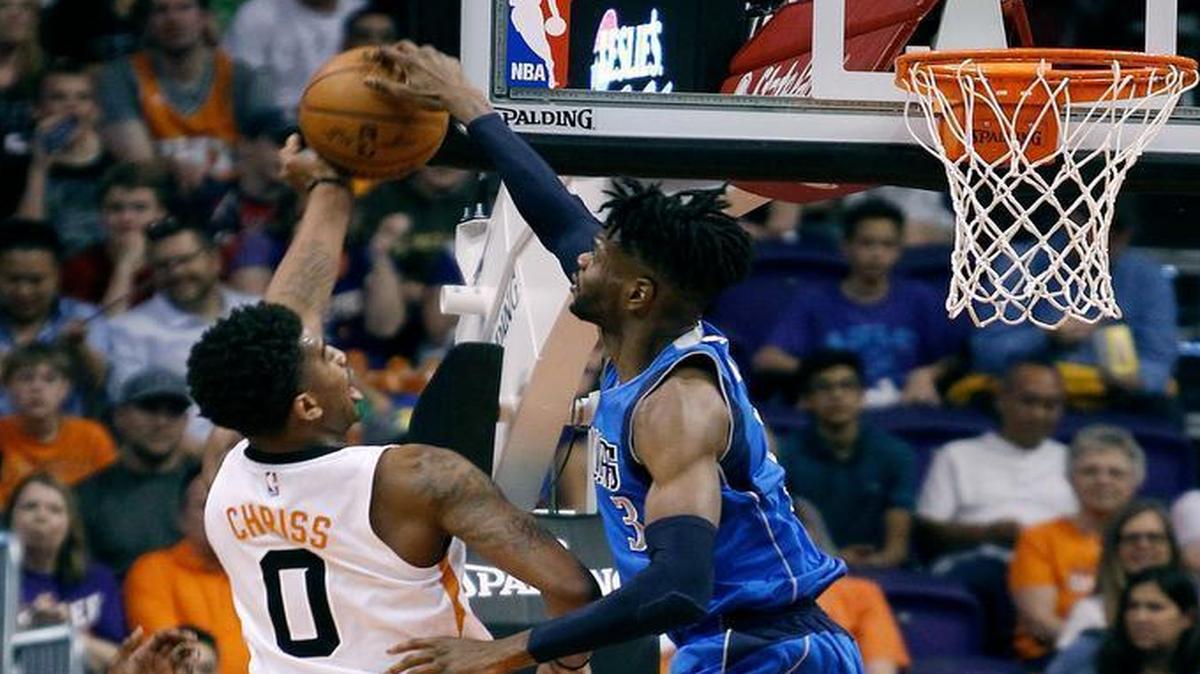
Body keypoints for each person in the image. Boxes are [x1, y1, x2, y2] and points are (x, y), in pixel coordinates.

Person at [367, 42, 864, 674]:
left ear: (636, 294)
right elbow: (559, 218)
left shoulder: (679, 409)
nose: (582, 258)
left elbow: (679, 586)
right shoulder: (642, 339)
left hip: (766, 646)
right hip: (736, 643)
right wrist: (473, 107)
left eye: (601, 258)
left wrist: (507, 651)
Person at [188, 135, 600, 673]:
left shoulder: (223, 464)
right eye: (323, 356)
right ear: (307, 408)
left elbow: (292, 312)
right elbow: (574, 589)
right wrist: (549, 664)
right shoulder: (418, 477)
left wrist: (329, 187)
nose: (337, 354)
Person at [916, 359, 1076, 653]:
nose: (1039, 413)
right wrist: (987, 533)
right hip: (980, 560)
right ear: (1002, 399)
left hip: (1058, 566)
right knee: (1000, 574)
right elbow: (927, 532)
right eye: (1029, 401)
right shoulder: (958, 455)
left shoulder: (1075, 462)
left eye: (1051, 405)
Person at [752, 198, 961, 407]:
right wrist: (821, 374)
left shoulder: (919, 297)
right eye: (867, 243)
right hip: (836, 407)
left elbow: (955, 358)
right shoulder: (815, 299)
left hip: (903, 409)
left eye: (887, 244)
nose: (877, 254)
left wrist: (928, 374)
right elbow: (767, 358)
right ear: (846, 246)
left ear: (899, 250)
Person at [96, 0, 277, 195]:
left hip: (235, 197)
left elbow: (267, 151)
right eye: (160, 10)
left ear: (205, 17)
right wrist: (170, 167)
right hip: (160, 199)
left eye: (184, 7)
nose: (173, 19)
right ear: (145, 22)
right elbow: (137, 162)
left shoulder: (242, 77)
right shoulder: (121, 77)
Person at [107, 216, 258, 446]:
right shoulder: (129, 330)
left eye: (185, 260)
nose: (175, 272)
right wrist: (213, 461)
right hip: (182, 467)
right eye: (163, 265)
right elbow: (133, 415)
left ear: (214, 260)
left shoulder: (259, 312)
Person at [1008, 425, 1145, 661]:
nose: (1103, 480)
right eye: (1090, 471)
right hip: (1057, 657)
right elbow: (1039, 621)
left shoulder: (1147, 540)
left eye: (1116, 473)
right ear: (1070, 479)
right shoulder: (1040, 538)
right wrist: (1105, 653)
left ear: (1135, 483)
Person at [778, 349, 916, 568]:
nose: (837, 395)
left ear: (862, 395)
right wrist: (834, 559)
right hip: (811, 570)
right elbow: (783, 537)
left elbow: (896, 551)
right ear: (806, 399)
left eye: (847, 385)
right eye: (824, 387)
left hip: (884, 573)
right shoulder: (785, 456)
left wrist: (868, 562)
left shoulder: (896, 454)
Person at [75, 367, 199, 575]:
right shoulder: (88, 495)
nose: (161, 422)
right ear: (120, 417)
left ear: (186, 421)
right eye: (149, 408)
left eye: (174, 411)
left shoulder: (207, 490)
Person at [124, 472, 249, 674]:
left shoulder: (255, 569)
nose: (217, 514)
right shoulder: (153, 571)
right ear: (180, 517)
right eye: (203, 505)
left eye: (227, 504)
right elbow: (168, 658)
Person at [7, 472, 126, 672]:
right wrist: (28, 629)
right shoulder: (3, 578)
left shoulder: (98, 580)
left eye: (54, 509)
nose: (41, 516)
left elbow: (121, 659)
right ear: (10, 517)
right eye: (30, 507)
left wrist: (64, 633)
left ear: (71, 524)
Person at [0, 220, 115, 415]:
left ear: (57, 275)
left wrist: (80, 348)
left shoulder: (84, 316)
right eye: (13, 279)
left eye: (36, 280)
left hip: (68, 440)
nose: (23, 291)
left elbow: (102, 383)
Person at [15, 59, 117, 256]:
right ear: (36, 109)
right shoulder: (19, 166)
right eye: (58, 98)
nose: (71, 106)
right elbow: (26, 241)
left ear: (96, 109)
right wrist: (39, 167)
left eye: (82, 97)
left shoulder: (114, 163)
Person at [0, 343, 118, 506]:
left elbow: (112, 497)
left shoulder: (92, 436)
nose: (37, 388)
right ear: (7, 387)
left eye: (49, 379)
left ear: (65, 389)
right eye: (26, 378)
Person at [1056, 500, 1183, 651]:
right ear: (1115, 550)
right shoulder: (1091, 612)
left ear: (1171, 547)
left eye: (1154, 537)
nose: (1143, 545)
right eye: (1131, 538)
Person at [61, 162, 176, 313]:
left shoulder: (175, 264)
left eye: (139, 208)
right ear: (101, 215)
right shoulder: (78, 269)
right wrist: (124, 267)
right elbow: (106, 330)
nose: (126, 217)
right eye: (116, 208)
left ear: (160, 213)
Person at [1048, 566, 1200, 674]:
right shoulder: (1090, 654)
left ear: (1188, 618)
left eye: (1155, 608)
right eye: (1132, 607)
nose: (1140, 618)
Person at [223, 0, 367, 111]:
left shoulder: (365, 13)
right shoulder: (258, 14)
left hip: (347, 126)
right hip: (275, 131)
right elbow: (237, 90)